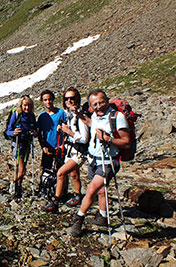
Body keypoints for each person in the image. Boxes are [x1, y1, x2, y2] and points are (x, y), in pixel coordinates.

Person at [70, 89, 130, 237]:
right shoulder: (95, 116)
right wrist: (80, 116)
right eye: (94, 104)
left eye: (101, 102)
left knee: (91, 190)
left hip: (108, 161)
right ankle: (103, 216)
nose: (98, 106)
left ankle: (79, 218)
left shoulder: (118, 117)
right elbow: (91, 123)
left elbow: (126, 142)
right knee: (100, 190)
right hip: (94, 160)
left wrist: (108, 139)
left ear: (107, 100)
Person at [43, 87, 89, 212]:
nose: (69, 100)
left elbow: (84, 139)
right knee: (74, 174)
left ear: (77, 99)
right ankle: (77, 195)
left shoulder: (80, 116)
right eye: (67, 98)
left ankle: (55, 201)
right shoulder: (68, 114)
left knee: (61, 173)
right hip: (70, 149)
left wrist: (68, 132)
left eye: (72, 98)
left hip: (78, 151)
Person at [6, 95, 37, 198]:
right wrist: (14, 132)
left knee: (22, 168)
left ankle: (18, 189)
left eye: (28, 105)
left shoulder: (32, 116)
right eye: (25, 105)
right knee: (22, 170)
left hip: (27, 144)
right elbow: (8, 131)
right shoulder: (17, 115)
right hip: (18, 144)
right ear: (21, 105)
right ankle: (13, 183)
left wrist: (34, 133)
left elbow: (36, 130)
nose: (27, 108)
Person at [37, 89, 66, 171]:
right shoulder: (42, 116)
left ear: (53, 99)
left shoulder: (61, 113)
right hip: (47, 148)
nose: (48, 102)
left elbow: (67, 130)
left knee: (61, 172)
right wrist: (43, 147)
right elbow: (40, 133)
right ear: (42, 101)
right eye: (45, 100)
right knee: (46, 171)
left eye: (49, 99)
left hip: (60, 148)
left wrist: (63, 145)